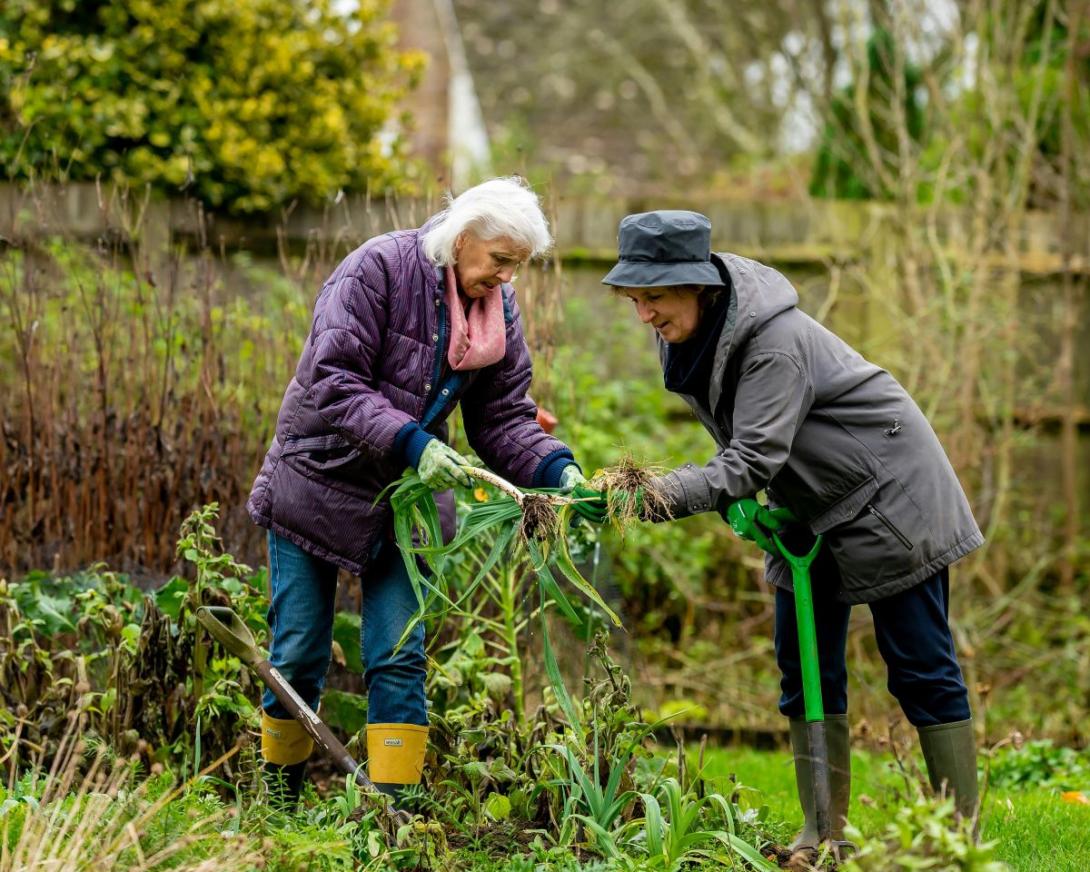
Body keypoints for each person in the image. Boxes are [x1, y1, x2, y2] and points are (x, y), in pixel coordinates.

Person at [581, 210, 982, 846]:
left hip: (891, 497)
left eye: (653, 297)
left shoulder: (774, 343)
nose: (644, 316)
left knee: (918, 666)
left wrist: (655, 494)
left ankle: (959, 838)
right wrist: (737, 498)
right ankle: (823, 833)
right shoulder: (690, 335)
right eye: (634, 299)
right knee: (803, 666)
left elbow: (751, 457)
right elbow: (749, 447)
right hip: (810, 506)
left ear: (699, 285)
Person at [246, 177, 587, 803]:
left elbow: (503, 418)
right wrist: (415, 442)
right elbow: (334, 379)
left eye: (517, 267)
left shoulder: (495, 310)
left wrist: (556, 468)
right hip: (318, 478)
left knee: (398, 654)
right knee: (298, 651)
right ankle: (278, 804)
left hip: (406, 499)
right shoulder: (376, 269)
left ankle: (393, 819)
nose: (507, 279)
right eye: (501, 261)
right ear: (462, 238)